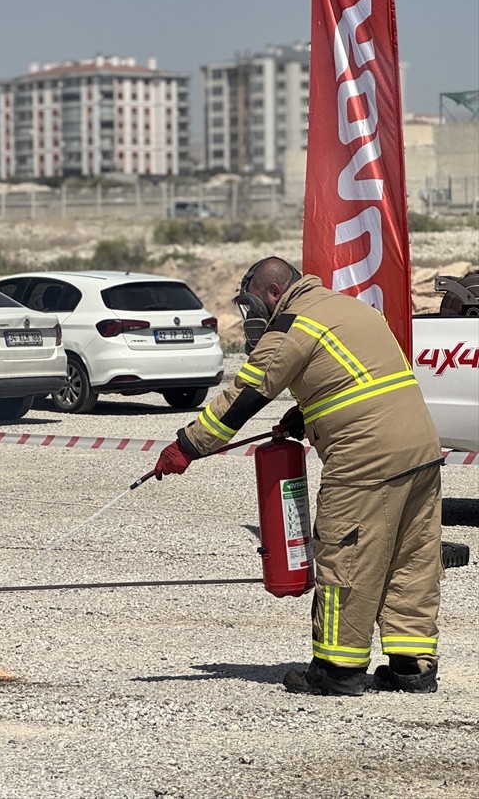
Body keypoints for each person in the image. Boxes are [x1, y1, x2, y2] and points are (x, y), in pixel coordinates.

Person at [152, 257, 444, 696]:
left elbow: (245, 396)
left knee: (348, 555)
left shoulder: (293, 324)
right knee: (411, 559)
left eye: (252, 303)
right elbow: (356, 379)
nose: (253, 316)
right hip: (421, 449)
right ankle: (412, 667)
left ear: (273, 292)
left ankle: (336, 670)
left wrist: (188, 446)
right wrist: (306, 412)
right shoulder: (351, 308)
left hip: (366, 458)